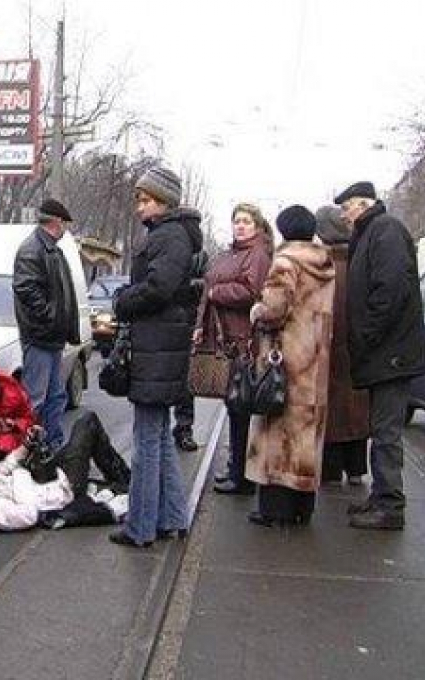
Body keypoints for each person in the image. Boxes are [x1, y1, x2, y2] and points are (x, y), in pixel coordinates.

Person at [109, 165, 203, 548]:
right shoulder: (175, 234)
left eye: (146, 199)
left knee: (147, 439)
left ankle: (141, 526)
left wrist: (122, 301)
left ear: (164, 201)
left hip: (157, 345)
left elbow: (158, 287)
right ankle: (172, 518)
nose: (139, 207)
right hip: (162, 343)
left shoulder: (168, 236)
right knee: (159, 436)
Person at [337, 181, 425, 531]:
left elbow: (389, 290)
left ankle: (390, 504)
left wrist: (365, 336)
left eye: (347, 207)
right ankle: (382, 497)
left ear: (363, 204)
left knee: (386, 432)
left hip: (391, 353)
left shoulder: (384, 230)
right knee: (381, 429)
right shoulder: (373, 231)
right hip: (387, 351)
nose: (344, 215)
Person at [244, 205, 335, 526]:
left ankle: (275, 509)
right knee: (307, 435)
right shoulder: (325, 264)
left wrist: (255, 311)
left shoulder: (285, 262)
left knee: (278, 430)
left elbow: (273, 308)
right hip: (315, 361)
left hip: (286, 361)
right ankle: (302, 507)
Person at [0, 410, 131, 533]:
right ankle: (127, 481)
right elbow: (27, 515)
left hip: (49, 478)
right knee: (87, 423)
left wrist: (26, 445)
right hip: (61, 491)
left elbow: (0, 471)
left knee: (87, 426)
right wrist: (21, 474)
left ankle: (125, 480)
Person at [194, 202, 273, 494]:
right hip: (222, 336)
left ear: (257, 226)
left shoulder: (258, 255)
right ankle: (236, 468)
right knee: (234, 405)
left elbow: (253, 292)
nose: (240, 226)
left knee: (241, 406)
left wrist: (218, 292)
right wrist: (200, 325)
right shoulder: (229, 254)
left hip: (243, 341)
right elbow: (207, 290)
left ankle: (242, 475)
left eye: (246, 222)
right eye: (237, 221)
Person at [12, 198, 80, 451]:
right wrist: (52, 316)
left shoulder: (50, 249)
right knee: (36, 399)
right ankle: (28, 451)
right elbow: (26, 289)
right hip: (40, 337)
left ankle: (52, 447)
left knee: (55, 396)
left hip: (50, 338)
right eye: (64, 224)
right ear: (57, 222)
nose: (65, 229)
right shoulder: (33, 249)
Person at [315, 205, 369, 486]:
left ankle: (331, 469)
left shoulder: (323, 267)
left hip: (327, 348)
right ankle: (357, 468)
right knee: (357, 407)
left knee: (332, 411)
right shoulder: (361, 260)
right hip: (358, 349)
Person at [172, 250, 209, 452]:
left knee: (186, 381)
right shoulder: (167, 247)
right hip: (167, 322)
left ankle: (184, 428)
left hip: (187, 322)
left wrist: (190, 286)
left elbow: (208, 283)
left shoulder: (199, 256)